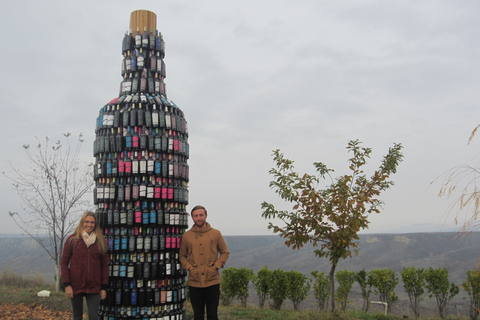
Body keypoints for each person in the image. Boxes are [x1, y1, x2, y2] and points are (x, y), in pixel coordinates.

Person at [179, 205, 229, 320]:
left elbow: (225, 252)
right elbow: (182, 255)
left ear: (206, 216)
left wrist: (216, 266)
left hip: (212, 280)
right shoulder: (187, 236)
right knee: (198, 315)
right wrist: (190, 268)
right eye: (196, 216)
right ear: (192, 218)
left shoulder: (216, 233)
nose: (199, 218)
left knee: (212, 314)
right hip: (194, 281)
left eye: (201, 215)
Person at [61, 211, 109, 320]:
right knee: (77, 317)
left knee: (93, 317)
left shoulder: (101, 241)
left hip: (94, 287)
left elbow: (104, 266)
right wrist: (67, 284)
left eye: (92, 222)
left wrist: (104, 287)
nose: (89, 225)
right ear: (82, 222)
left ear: (95, 225)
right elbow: (64, 263)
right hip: (75, 286)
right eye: (86, 222)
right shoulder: (72, 240)